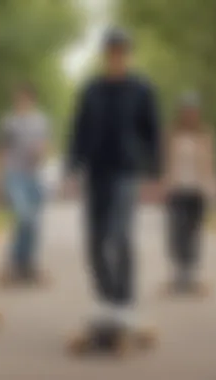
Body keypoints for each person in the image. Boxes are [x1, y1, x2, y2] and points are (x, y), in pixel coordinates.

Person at [64, 28, 162, 353]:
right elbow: (78, 128)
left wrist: (155, 170)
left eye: (122, 50)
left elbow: (152, 130)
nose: (117, 56)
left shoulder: (141, 88)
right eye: (111, 51)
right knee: (94, 241)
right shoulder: (91, 89)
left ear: (128, 54)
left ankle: (124, 305)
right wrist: (71, 165)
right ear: (105, 54)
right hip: (97, 172)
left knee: (120, 237)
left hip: (126, 171)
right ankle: (107, 301)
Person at [163, 92, 216, 295]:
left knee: (194, 232)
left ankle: (190, 273)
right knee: (177, 232)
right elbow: (165, 161)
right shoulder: (171, 134)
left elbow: (210, 163)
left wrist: (211, 188)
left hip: (197, 190)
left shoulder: (206, 134)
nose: (189, 114)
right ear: (181, 113)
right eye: (186, 110)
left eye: (193, 111)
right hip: (177, 189)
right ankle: (180, 272)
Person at [0, 83, 50, 285]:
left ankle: (28, 265)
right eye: (19, 99)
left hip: (35, 176)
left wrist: (41, 152)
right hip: (15, 174)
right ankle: (15, 264)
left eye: (26, 98)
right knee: (23, 216)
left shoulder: (41, 122)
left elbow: (45, 145)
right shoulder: (9, 122)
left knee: (34, 222)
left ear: (32, 100)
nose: (22, 102)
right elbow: (2, 148)